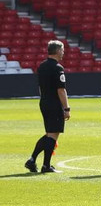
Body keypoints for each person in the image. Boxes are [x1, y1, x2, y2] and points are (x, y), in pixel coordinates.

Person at [25, 40, 69, 174]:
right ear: (56, 51)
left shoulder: (42, 66)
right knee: (53, 134)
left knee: (49, 133)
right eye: (62, 50)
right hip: (54, 103)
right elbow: (61, 90)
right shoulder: (58, 68)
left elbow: (40, 87)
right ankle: (46, 166)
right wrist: (66, 108)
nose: (63, 52)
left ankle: (32, 160)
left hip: (44, 101)